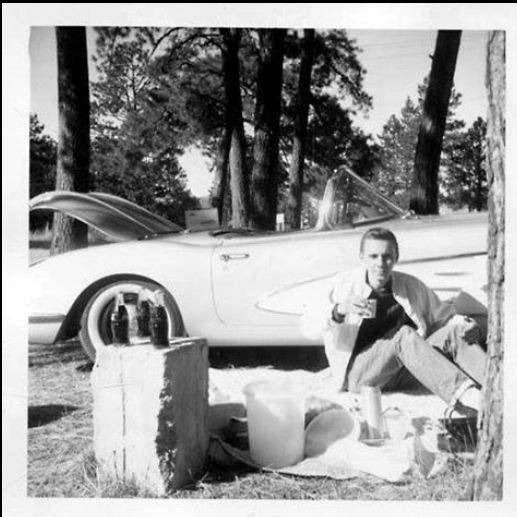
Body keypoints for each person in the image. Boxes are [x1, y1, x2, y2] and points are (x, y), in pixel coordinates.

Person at [300, 227, 486, 416]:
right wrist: (339, 310)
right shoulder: (344, 286)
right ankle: (466, 395)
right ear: (361, 257)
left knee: (454, 333)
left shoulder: (410, 285)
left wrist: (468, 326)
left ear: (396, 257)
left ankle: (498, 387)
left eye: (387, 256)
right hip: (360, 376)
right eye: (373, 256)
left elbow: (445, 316)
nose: (380, 263)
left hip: (404, 370)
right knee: (404, 335)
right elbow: (307, 326)